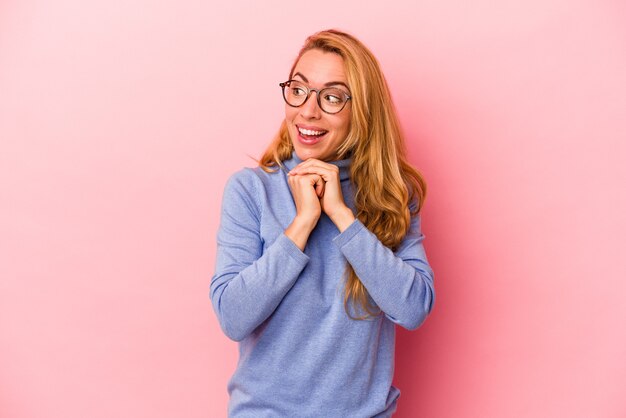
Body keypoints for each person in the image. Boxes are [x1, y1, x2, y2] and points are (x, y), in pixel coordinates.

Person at [210, 29, 435, 418]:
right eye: (298, 90)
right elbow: (233, 316)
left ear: (362, 111)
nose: (308, 111)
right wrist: (303, 223)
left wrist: (344, 218)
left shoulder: (392, 197)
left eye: (331, 97)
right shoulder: (251, 191)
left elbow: (414, 307)